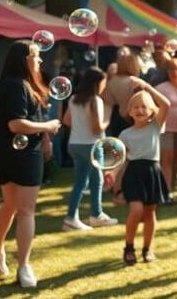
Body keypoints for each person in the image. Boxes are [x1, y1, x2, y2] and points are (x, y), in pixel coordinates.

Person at [0, 41, 62, 288]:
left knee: (12, 205)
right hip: (22, 154)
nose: (39, 62)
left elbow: (30, 117)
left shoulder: (19, 84)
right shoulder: (17, 85)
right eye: (36, 57)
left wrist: (44, 136)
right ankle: (24, 266)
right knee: (26, 210)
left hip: (11, 152)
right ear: (24, 59)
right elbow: (16, 124)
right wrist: (48, 128)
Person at [115, 88, 171, 265]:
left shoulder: (155, 126)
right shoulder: (124, 134)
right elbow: (121, 159)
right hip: (134, 173)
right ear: (129, 111)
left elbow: (166, 104)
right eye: (136, 107)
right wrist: (113, 175)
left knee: (149, 212)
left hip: (152, 171)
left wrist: (147, 88)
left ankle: (147, 249)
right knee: (136, 210)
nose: (140, 110)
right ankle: (129, 247)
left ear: (151, 112)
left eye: (144, 107)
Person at [62, 66, 117, 231]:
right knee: (97, 181)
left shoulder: (74, 99)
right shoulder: (96, 100)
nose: (104, 86)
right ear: (96, 83)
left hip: (75, 144)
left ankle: (71, 217)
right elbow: (97, 128)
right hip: (91, 145)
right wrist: (107, 120)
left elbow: (66, 120)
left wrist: (80, 127)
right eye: (103, 83)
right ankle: (96, 214)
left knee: (80, 182)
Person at [156, 58, 177, 202]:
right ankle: (166, 193)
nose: (174, 73)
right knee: (167, 161)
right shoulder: (161, 88)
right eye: (171, 70)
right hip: (166, 129)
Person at [103, 53, 157, 138]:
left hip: (116, 118)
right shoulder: (135, 81)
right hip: (134, 116)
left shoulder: (112, 81)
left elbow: (107, 101)